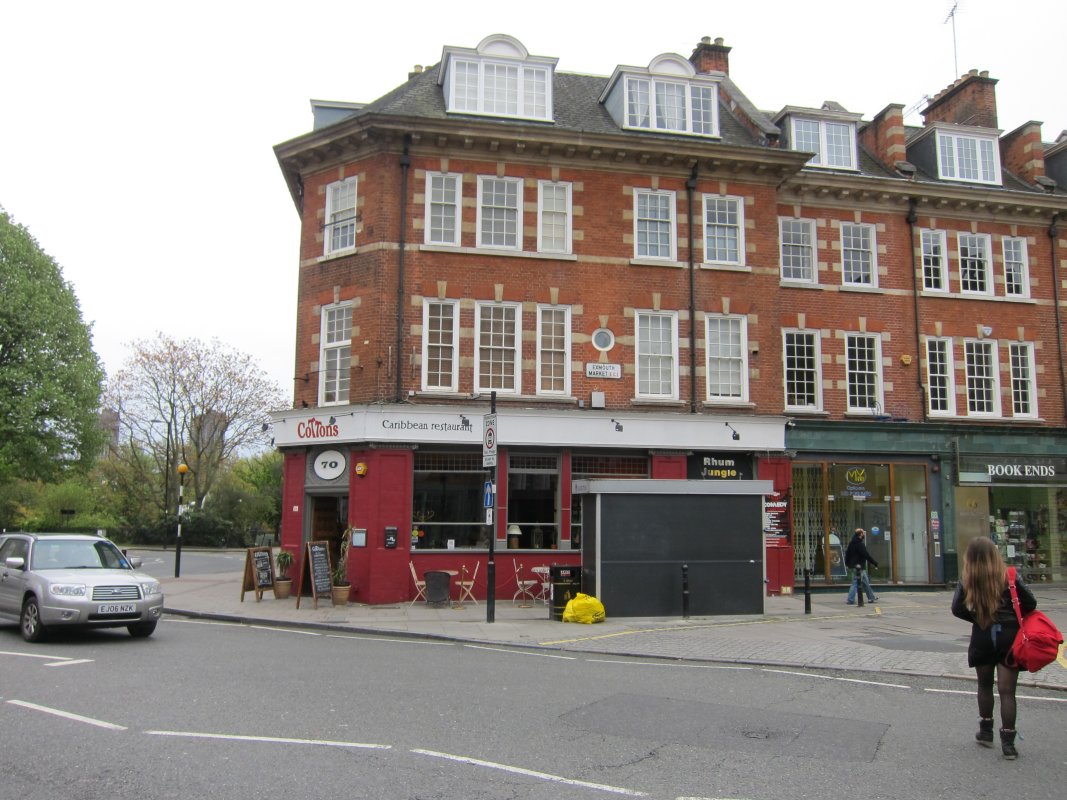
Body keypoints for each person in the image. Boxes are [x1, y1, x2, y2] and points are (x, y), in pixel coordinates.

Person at [951, 537, 1036, 759]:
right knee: (1007, 692)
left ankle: (986, 732)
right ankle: (1008, 744)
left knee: (985, 685)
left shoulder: (968, 577)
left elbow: (956, 608)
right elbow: (1031, 602)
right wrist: (1014, 618)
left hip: (983, 634)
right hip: (1009, 636)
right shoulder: (1010, 575)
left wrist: (977, 619)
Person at [844, 528, 878, 604]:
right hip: (859, 567)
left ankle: (871, 597)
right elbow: (866, 555)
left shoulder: (851, 543)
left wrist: (847, 564)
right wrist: (874, 563)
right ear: (860, 534)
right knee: (855, 583)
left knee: (865, 582)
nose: (863, 535)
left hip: (854, 566)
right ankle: (850, 599)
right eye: (863, 534)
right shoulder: (860, 544)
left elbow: (847, 554)